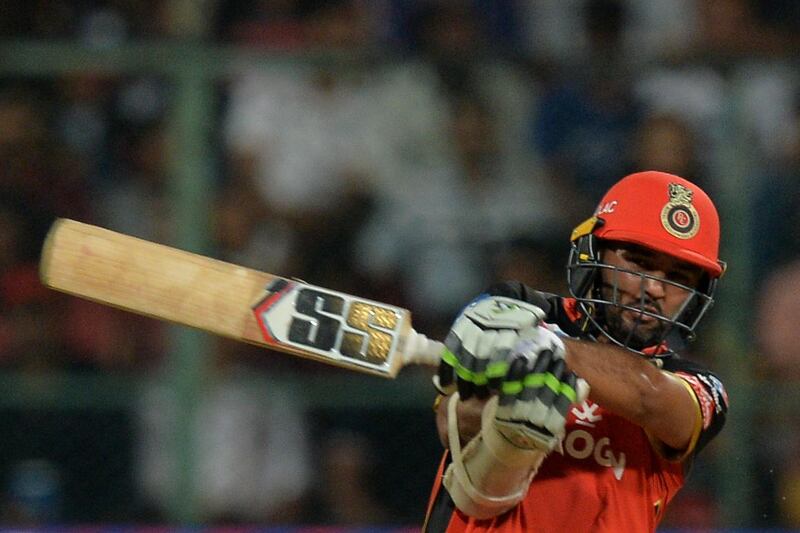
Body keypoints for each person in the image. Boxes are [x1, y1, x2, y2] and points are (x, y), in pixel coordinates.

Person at [423, 170, 729, 532]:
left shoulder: (700, 385)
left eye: (679, 278)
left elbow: (650, 397)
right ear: (594, 252)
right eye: (640, 262)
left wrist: (548, 351)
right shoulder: (517, 308)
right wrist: (509, 423)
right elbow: (453, 423)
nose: (655, 290)